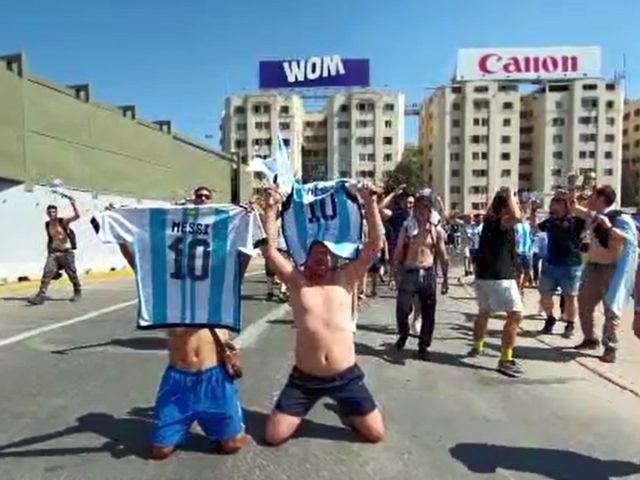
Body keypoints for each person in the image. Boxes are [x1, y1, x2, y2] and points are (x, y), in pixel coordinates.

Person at [108, 185, 249, 459]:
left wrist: (253, 219)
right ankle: (180, 423)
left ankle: (229, 423)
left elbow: (242, 256)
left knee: (232, 445)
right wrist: (118, 230)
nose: (203, 199)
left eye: (207, 196)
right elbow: (140, 265)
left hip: (214, 378)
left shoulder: (219, 281)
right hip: (178, 378)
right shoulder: (168, 285)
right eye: (199, 196)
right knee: (159, 451)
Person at [260, 181, 385, 445]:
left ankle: (347, 412)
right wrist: (271, 210)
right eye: (316, 254)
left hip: (346, 376)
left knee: (376, 434)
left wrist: (371, 202)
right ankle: (302, 408)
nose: (321, 258)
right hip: (305, 379)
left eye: (325, 254)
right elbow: (270, 252)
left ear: (333, 258)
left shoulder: (345, 277)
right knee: (273, 436)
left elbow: (374, 245)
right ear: (306, 257)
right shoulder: (297, 282)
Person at [571, 186, 638, 363]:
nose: (589, 199)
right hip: (593, 267)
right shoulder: (594, 216)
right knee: (584, 302)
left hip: (612, 269)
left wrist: (608, 228)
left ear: (601, 198)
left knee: (611, 308)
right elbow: (576, 209)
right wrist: (572, 195)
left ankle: (610, 347)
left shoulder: (620, 218)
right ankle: (589, 338)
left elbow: (627, 240)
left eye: (592, 196)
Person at [470, 187, 524, 378]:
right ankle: (506, 359)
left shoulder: (488, 221)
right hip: (500, 278)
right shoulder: (502, 221)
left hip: (483, 276)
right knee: (515, 315)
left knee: (484, 311)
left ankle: (477, 346)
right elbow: (518, 217)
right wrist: (510, 194)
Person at [393, 192, 449, 360]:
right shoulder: (408, 228)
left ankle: (423, 346)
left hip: (428, 273)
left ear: (429, 210)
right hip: (410, 272)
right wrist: (394, 274)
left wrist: (445, 279)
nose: (420, 213)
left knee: (428, 313)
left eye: (424, 209)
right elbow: (397, 252)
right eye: (417, 209)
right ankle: (403, 333)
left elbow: (443, 255)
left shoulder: (434, 230)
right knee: (402, 309)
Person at [532, 195, 586, 337]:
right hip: (550, 264)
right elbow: (536, 228)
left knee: (570, 297)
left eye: (557, 203)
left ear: (565, 206)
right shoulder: (550, 221)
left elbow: (589, 217)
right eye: (552, 203)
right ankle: (550, 318)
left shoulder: (575, 221)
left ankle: (570, 324)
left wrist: (577, 204)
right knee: (545, 295)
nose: (553, 206)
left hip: (570, 265)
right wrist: (533, 212)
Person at [28, 196, 82, 305]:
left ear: (56, 212)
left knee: (71, 273)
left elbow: (77, 216)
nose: (52, 214)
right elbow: (51, 238)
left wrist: (73, 203)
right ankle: (41, 296)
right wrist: (49, 252)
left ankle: (77, 291)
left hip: (66, 252)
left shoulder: (63, 221)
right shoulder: (47, 224)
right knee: (47, 273)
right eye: (50, 212)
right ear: (47, 213)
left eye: (53, 212)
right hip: (54, 252)